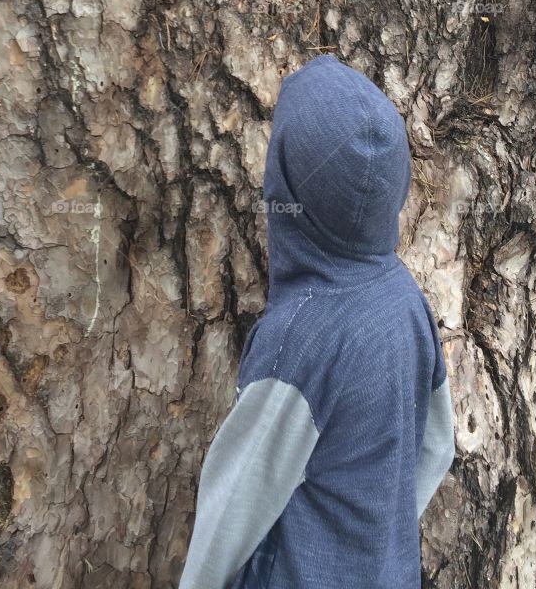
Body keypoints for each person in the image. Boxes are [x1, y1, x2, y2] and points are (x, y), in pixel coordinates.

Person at [178, 53, 455, 588]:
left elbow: (231, 515)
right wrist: (376, 545)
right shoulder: (407, 302)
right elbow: (437, 447)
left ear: (283, 188)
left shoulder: (299, 345)